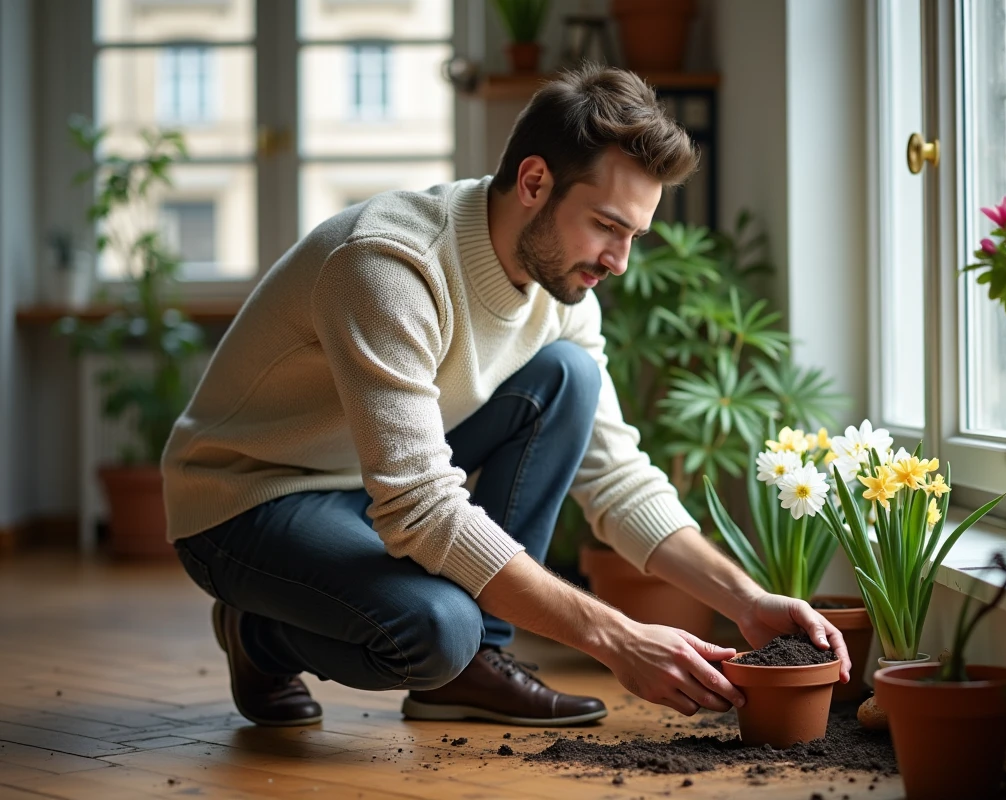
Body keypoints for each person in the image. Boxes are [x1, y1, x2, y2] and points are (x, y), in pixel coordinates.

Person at [162, 64, 850, 729]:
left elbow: (615, 478)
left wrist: (748, 600)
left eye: (634, 235)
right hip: (250, 499)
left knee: (568, 379)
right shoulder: (388, 266)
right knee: (435, 629)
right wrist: (617, 639)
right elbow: (421, 508)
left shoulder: (566, 290)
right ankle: (259, 635)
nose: (620, 261)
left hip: (371, 489)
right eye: (608, 226)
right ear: (533, 180)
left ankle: (472, 670)